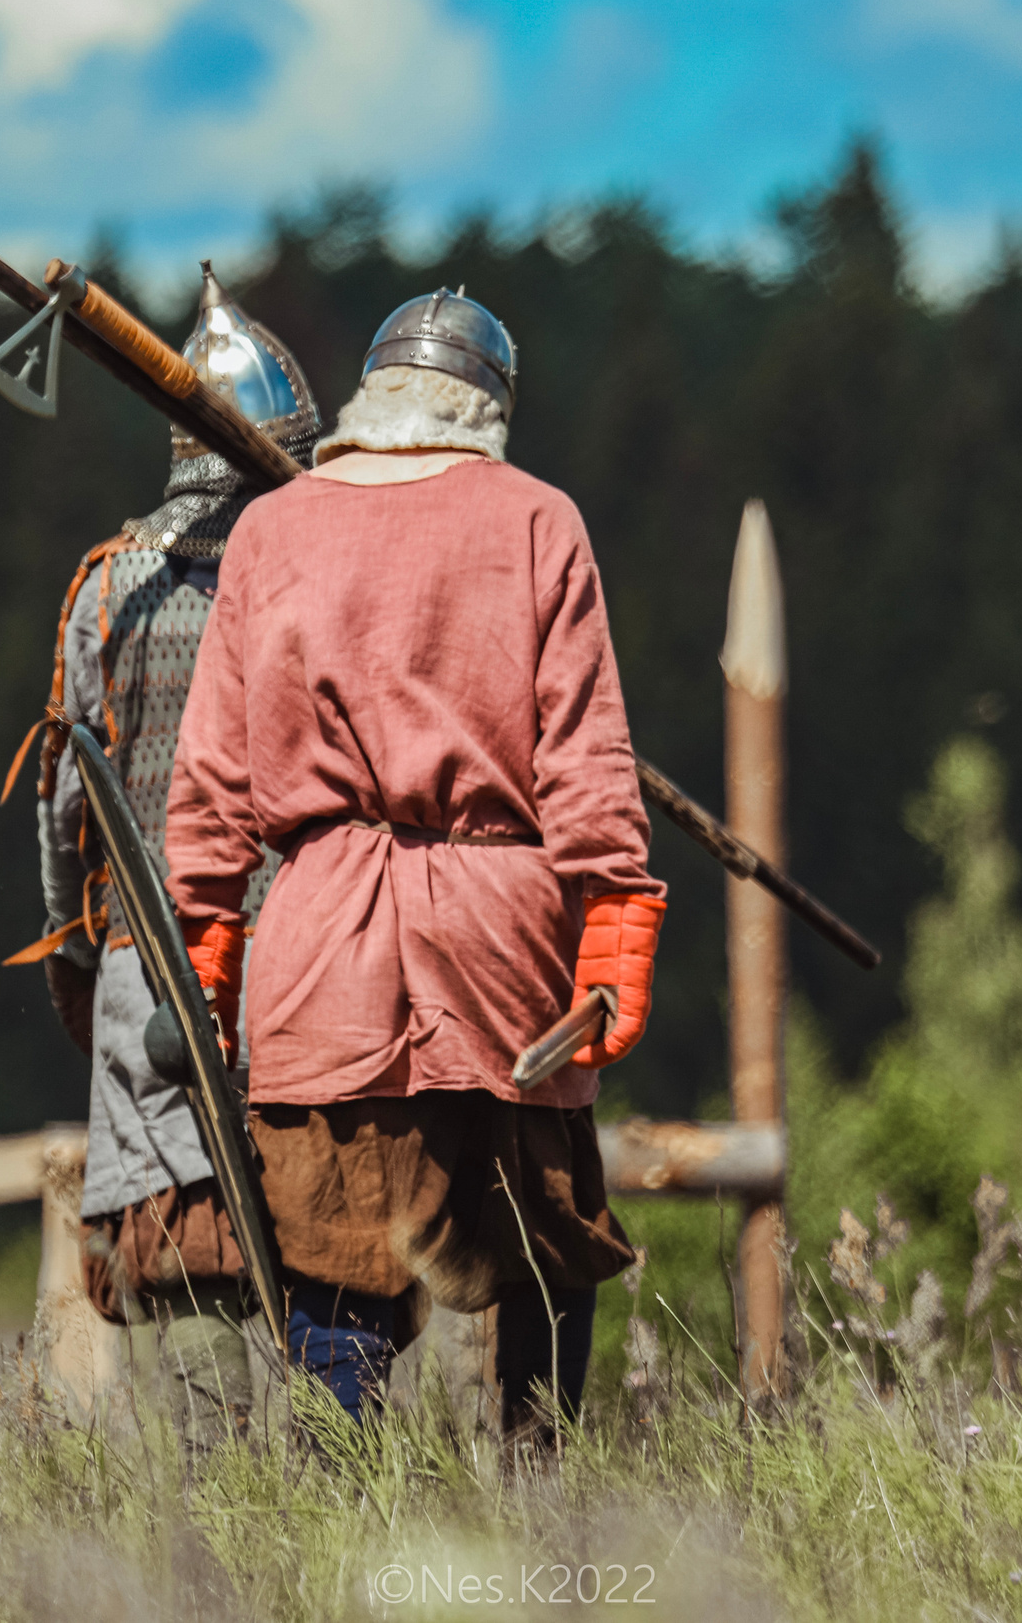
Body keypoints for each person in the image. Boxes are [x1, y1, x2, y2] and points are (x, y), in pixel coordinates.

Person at [165, 289, 667, 1438]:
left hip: (319, 949)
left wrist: (206, 930)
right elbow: (587, 760)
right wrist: (616, 919)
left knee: (336, 1250)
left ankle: (341, 1518)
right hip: (507, 949)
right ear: (487, 406)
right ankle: (543, 1507)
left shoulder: (271, 530)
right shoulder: (539, 518)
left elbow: (211, 780)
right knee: (539, 1249)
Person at [6, 263, 319, 1445]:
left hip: (156, 962)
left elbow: (63, 808)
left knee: (194, 1242)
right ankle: (314, 1500)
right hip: (303, 955)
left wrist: (79, 958)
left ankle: (227, 1506)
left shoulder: (107, 588)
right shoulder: (309, 577)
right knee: (312, 1230)